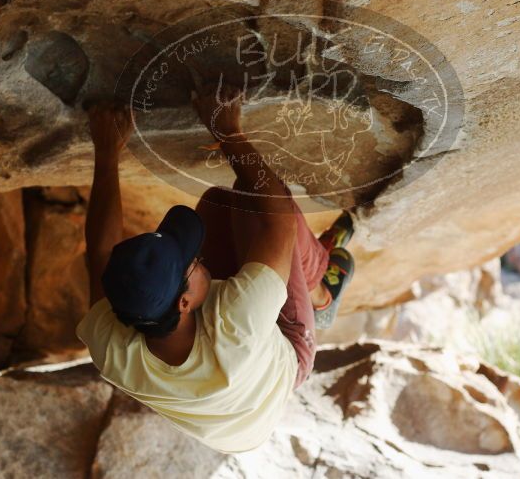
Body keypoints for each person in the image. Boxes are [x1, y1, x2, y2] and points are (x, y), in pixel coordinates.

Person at [77, 83, 355, 453]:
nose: (199, 258)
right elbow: (279, 219)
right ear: (184, 302)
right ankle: (321, 292)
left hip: (234, 423)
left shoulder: (113, 346)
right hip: (282, 358)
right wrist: (226, 129)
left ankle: (307, 276)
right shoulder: (237, 323)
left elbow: (99, 252)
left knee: (218, 204)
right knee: (254, 201)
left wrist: (107, 148)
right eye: (192, 263)